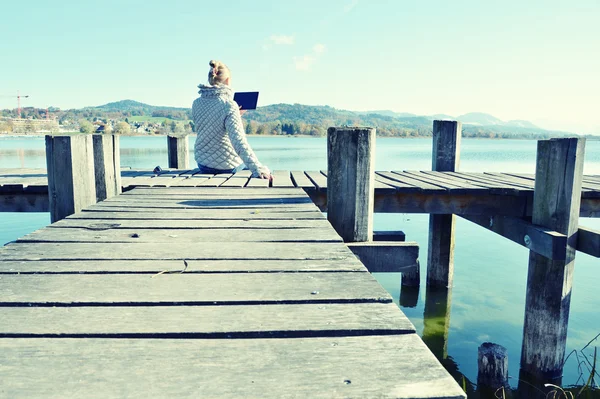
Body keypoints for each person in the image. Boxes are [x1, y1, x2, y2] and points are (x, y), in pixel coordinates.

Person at [192, 60, 271, 180]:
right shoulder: (229, 104)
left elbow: (211, 125)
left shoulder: (196, 103)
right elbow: (239, 142)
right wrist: (258, 169)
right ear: (228, 80)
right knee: (268, 169)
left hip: (203, 164)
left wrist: (235, 115)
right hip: (226, 166)